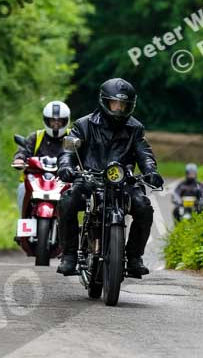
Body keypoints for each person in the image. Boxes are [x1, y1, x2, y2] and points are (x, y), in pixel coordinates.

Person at [56, 78, 163, 278]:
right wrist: (65, 166)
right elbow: (68, 150)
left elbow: (144, 152)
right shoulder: (84, 124)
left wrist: (151, 171)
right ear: (105, 102)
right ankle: (69, 255)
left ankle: (134, 258)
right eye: (115, 103)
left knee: (143, 207)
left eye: (124, 105)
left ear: (131, 105)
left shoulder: (135, 128)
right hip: (90, 178)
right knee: (67, 201)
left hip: (122, 181)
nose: (119, 109)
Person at [12, 100, 70, 215]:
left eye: (60, 121)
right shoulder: (36, 137)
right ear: (46, 120)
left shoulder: (72, 137)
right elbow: (24, 150)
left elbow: (81, 154)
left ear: (66, 121)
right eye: (52, 121)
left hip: (64, 179)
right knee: (22, 188)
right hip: (35, 179)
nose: (56, 124)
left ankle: (72, 228)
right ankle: (24, 224)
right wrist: (19, 159)